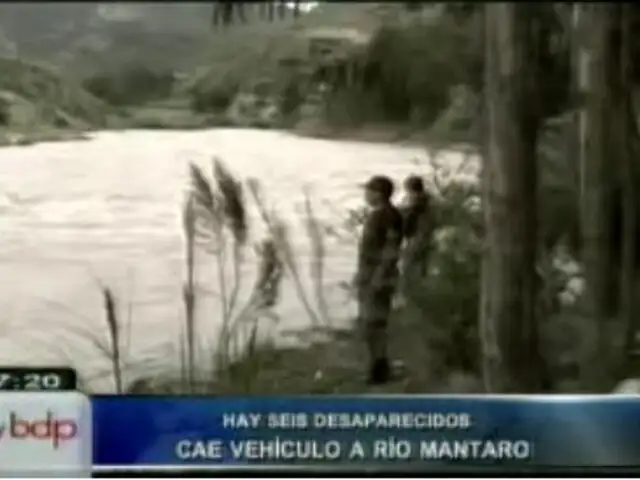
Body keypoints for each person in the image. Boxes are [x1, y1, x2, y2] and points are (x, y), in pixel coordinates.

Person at [354, 175, 403, 385]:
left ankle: (378, 370)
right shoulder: (382, 214)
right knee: (372, 324)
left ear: (378, 194)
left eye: (368, 191)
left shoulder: (386, 216)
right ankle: (378, 366)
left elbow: (391, 250)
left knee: (373, 324)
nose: (365, 195)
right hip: (370, 275)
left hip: (377, 278)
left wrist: (378, 277)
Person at [398, 175, 433, 299]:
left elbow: (405, 221)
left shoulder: (416, 202)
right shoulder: (428, 201)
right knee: (421, 270)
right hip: (426, 238)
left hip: (416, 239)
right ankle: (418, 296)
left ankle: (408, 297)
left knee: (408, 269)